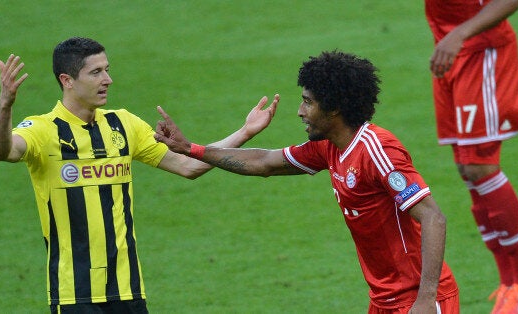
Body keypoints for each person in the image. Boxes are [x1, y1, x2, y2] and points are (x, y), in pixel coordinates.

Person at [155, 51, 460, 313]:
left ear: (334, 108)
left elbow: (433, 216)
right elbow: (264, 163)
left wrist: (426, 299)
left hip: (417, 299)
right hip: (384, 298)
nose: (300, 111)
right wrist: (191, 149)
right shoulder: (329, 146)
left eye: (308, 102)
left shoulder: (377, 150)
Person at [0, 37, 278, 313]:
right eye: (96, 72)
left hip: (127, 289)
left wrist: (245, 131)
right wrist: (5, 105)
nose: (107, 80)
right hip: (74, 294)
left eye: (107, 70)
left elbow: (190, 166)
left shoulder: (123, 124)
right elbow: (2, 151)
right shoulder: (42, 129)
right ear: (68, 81)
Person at [424, 0, 518, 313]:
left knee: (481, 166)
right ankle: (510, 283)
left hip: (481, 53)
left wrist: (459, 34)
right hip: (450, 55)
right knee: (466, 168)